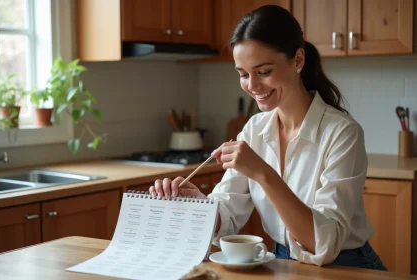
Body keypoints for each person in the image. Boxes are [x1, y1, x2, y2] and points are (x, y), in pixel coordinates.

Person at [149, 5, 386, 270]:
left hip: (347, 267)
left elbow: (323, 245)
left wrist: (263, 172)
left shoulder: (342, 132)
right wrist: (197, 204)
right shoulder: (253, 129)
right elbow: (227, 214)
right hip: (280, 262)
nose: (252, 85)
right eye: (243, 74)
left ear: (297, 60)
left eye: (263, 72)